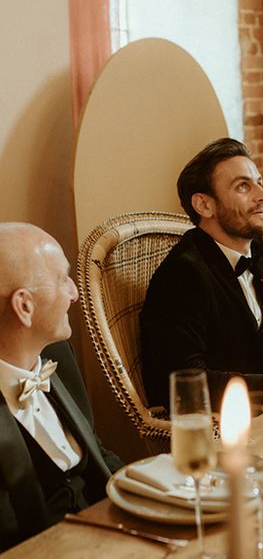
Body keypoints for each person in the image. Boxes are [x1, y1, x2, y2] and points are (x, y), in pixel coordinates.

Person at [140, 138, 263, 410]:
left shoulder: (256, 252)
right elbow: (184, 382)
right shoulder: (181, 275)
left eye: (259, 182)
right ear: (204, 205)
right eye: (243, 186)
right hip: (224, 429)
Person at [0, 223, 123, 550]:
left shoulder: (57, 355)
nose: (74, 292)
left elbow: (96, 453)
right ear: (24, 306)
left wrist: (162, 495)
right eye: (62, 279)